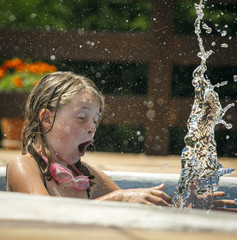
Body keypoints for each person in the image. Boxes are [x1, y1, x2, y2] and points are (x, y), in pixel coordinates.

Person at [6, 71, 237, 211]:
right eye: (81, 118)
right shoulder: (24, 167)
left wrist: (185, 210)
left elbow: (139, 210)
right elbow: (44, 215)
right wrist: (118, 198)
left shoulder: (89, 177)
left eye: (95, 120)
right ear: (46, 119)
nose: (91, 127)